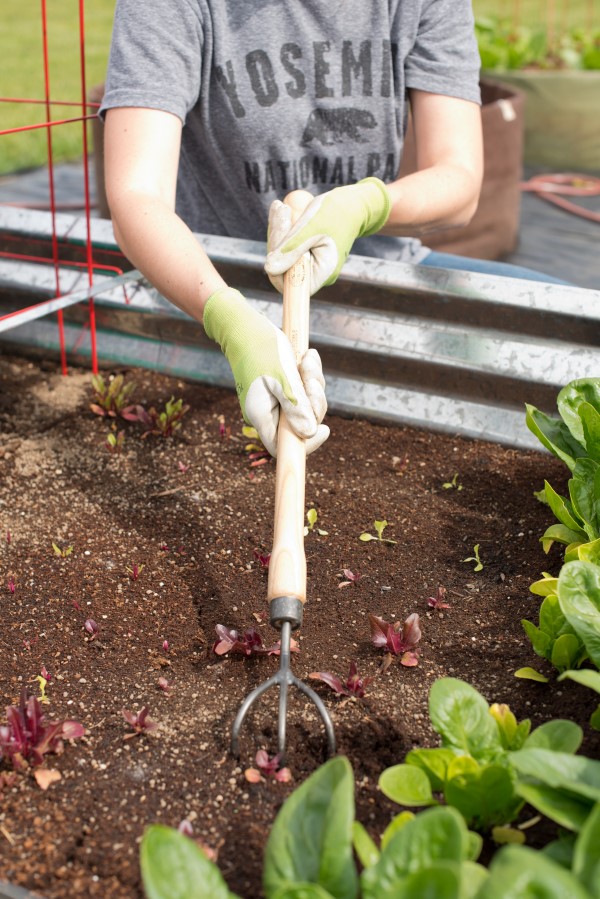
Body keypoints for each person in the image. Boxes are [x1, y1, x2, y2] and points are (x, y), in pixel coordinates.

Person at [100, 0, 554, 457]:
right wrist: (230, 324)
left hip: (375, 271)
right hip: (212, 285)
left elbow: (459, 180)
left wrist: (367, 205)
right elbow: (137, 196)